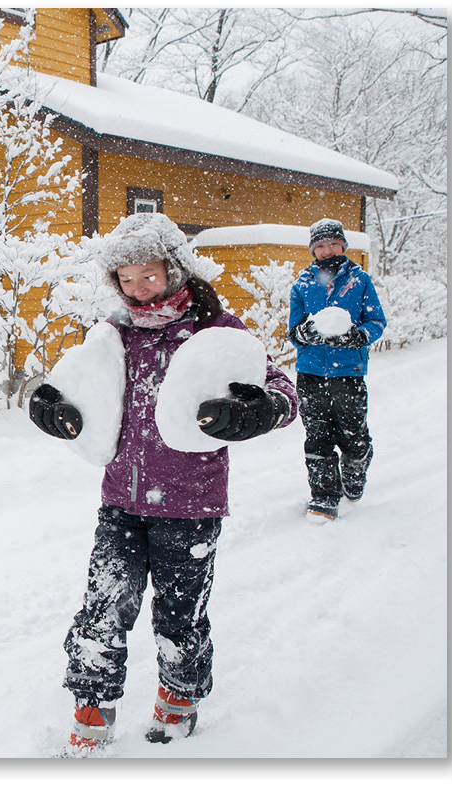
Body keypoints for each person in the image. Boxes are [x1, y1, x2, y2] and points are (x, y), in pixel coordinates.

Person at [29, 213, 298, 755]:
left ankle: (178, 698)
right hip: (120, 500)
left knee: (180, 611)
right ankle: (91, 707)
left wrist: (256, 411)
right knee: (103, 607)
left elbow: (281, 392)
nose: (136, 289)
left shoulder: (218, 332)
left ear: (175, 270)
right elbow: (75, 386)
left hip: (191, 504)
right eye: (125, 279)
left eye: (147, 275)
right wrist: (49, 403)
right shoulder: (111, 335)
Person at [288, 218, 387, 521]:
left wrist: (358, 336)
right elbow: (294, 330)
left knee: (353, 435)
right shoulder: (302, 284)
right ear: (313, 250)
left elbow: (376, 322)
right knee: (317, 435)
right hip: (311, 373)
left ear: (343, 246)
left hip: (349, 372)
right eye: (320, 246)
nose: (327, 250)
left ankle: (356, 470)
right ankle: (324, 497)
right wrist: (305, 334)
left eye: (333, 244)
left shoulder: (360, 281)